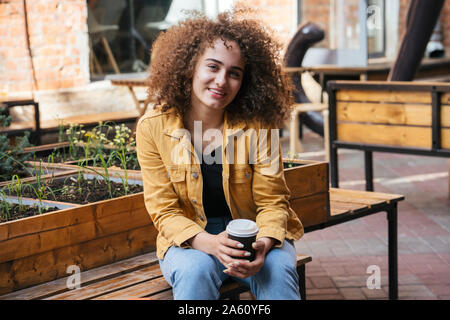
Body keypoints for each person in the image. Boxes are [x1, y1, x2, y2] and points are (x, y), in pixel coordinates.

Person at [136, 7, 304, 300]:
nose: (222, 81)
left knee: (277, 271)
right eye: (212, 67)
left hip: (253, 232)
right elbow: (164, 210)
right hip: (190, 237)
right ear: (191, 67)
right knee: (194, 271)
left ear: (244, 81)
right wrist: (209, 243)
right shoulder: (152, 128)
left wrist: (263, 243)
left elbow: (273, 201)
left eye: (234, 73)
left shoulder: (259, 126)